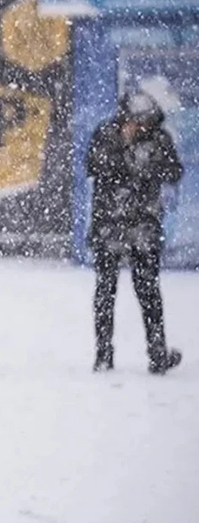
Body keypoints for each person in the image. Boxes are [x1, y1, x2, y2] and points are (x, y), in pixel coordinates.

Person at [86, 91, 184, 374]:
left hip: (144, 226)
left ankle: (157, 355)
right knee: (106, 290)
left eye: (146, 122)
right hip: (110, 226)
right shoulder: (107, 134)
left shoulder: (159, 139)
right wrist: (125, 148)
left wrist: (146, 161)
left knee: (149, 291)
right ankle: (103, 354)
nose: (141, 127)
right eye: (136, 121)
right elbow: (93, 166)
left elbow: (174, 171)